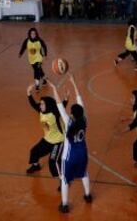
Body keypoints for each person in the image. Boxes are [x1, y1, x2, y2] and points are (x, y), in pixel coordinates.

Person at [48, 74, 92, 213]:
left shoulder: (68, 122)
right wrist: (74, 83)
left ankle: (65, 205)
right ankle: (88, 196)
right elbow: (80, 102)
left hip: (69, 157)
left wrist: (54, 88)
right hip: (83, 153)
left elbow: (59, 104)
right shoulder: (84, 120)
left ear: (71, 113)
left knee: (65, 180)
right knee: (84, 173)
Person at [25, 84, 69, 182]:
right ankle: (36, 166)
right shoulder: (41, 110)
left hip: (58, 141)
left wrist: (66, 99)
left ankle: (62, 181)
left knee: (53, 162)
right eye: (40, 104)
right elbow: (33, 104)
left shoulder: (55, 112)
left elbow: (62, 106)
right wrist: (28, 93)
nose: (40, 105)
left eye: (42, 104)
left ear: (48, 105)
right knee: (34, 151)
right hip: (48, 139)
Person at [19, 28, 48, 92]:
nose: (33, 35)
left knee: (36, 70)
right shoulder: (27, 41)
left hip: (39, 58)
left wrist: (45, 55)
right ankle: (44, 80)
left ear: (36, 34)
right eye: (32, 33)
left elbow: (44, 46)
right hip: (31, 59)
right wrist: (20, 53)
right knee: (39, 69)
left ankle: (37, 85)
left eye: (34, 33)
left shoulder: (39, 40)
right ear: (29, 34)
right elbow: (23, 47)